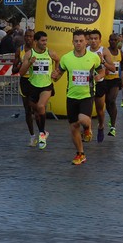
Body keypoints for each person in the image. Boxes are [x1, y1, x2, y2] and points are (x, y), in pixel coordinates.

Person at [52, 30, 104, 165]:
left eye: (81, 41)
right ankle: (80, 154)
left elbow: (101, 70)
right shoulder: (66, 58)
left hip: (87, 94)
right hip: (71, 96)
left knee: (83, 119)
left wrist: (99, 76)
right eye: (76, 41)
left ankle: (87, 128)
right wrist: (54, 76)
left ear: (85, 42)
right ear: (72, 42)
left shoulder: (93, 57)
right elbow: (58, 75)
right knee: (74, 126)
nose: (79, 43)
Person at [19, 31, 60, 150]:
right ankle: (43, 132)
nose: (45, 43)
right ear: (36, 42)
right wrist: (29, 63)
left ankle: (41, 134)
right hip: (33, 86)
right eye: (42, 41)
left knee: (41, 106)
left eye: (46, 40)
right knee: (36, 113)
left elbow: (58, 60)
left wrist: (55, 71)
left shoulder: (50, 52)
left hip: (46, 85)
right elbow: (21, 73)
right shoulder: (29, 54)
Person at [88, 29, 116, 142]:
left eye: (96, 39)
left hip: (100, 83)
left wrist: (103, 61)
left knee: (100, 110)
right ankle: (87, 130)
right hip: (87, 84)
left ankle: (100, 126)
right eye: (91, 39)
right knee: (87, 109)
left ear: (100, 40)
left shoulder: (103, 50)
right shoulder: (85, 50)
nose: (93, 41)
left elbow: (113, 68)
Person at [12, 29, 36, 146]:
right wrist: (24, 64)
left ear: (34, 38)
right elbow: (13, 70)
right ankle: (32, 136)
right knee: (27, 110)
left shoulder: (39, 51)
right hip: (24, 81)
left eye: (31, 36)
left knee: (36, 108)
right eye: (26, 36)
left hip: (36, 81)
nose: (28, 39)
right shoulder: (19, 50)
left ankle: (42, 131)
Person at [105, 33, 123, 137]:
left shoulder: (121, 53)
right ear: (109, 40)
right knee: (106, 102)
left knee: (111, 100)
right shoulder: (105, 51)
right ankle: (112, 117)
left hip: (115, 80)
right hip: (105, 80)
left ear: (118, 41)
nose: (113, 42)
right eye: (111, 40)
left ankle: (113, 127)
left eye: (115, 40)